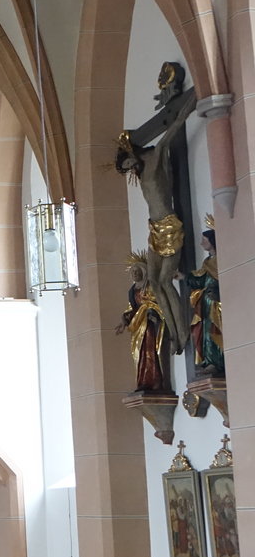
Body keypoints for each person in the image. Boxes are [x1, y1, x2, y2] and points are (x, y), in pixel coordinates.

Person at [115, 83, 195, 356]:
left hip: (170, 226)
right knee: (155, 282)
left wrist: (187, 104)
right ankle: (173, 333)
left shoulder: (157, 158)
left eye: (126, 163)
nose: (128, 169)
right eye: (125, 167)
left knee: (165, 280)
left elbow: (172, 129)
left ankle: (181, 333)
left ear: (134, 154)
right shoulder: (141, 172)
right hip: (154, 230)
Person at [115, 251, 169, 393]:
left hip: (150, 325)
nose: (134, 275)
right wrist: (124, 321)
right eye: (132, 272)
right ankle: (143, 381)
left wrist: (152, 312)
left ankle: (155, 380)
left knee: (151, 351)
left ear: (143, 272)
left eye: (136, 271)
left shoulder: (150, 286)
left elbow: (158, 303)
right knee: (139, 354)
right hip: (139, 326)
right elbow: (132, 309)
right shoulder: (132, 290)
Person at [184, 219, 223, 376]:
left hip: (216, 302)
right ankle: (209, 361)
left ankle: (217, 362)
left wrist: (218, 294)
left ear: (212, 241)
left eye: (204, 240)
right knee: (205, 332)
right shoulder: (208, 262)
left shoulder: (223, 260)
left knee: (215, 331)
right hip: (206, 303)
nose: (201, 243)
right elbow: (200, 279)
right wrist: (183, 277)